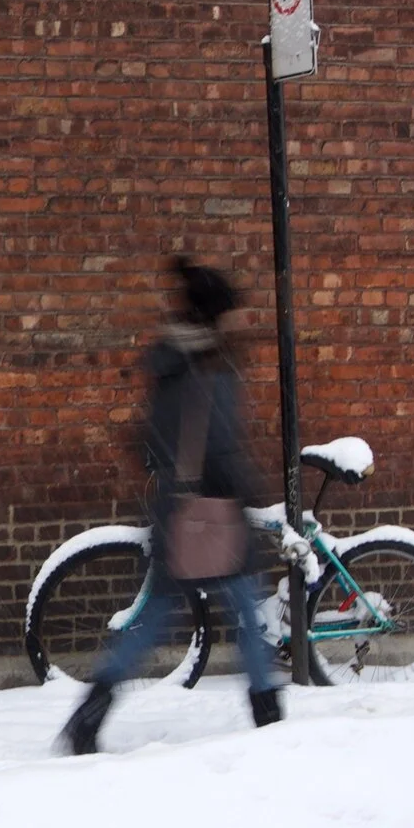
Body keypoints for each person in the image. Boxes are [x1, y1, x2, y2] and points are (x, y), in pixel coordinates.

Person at [58, 257, 285, 755]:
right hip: (214, 515)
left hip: (174, 513)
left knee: (155, 620)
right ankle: (271, 719)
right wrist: (250, 492)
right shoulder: (209, 368)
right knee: (248, 613)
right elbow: (223, 449)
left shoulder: (169, 362)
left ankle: (88, 715)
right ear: (214, 316)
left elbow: (147, 444)